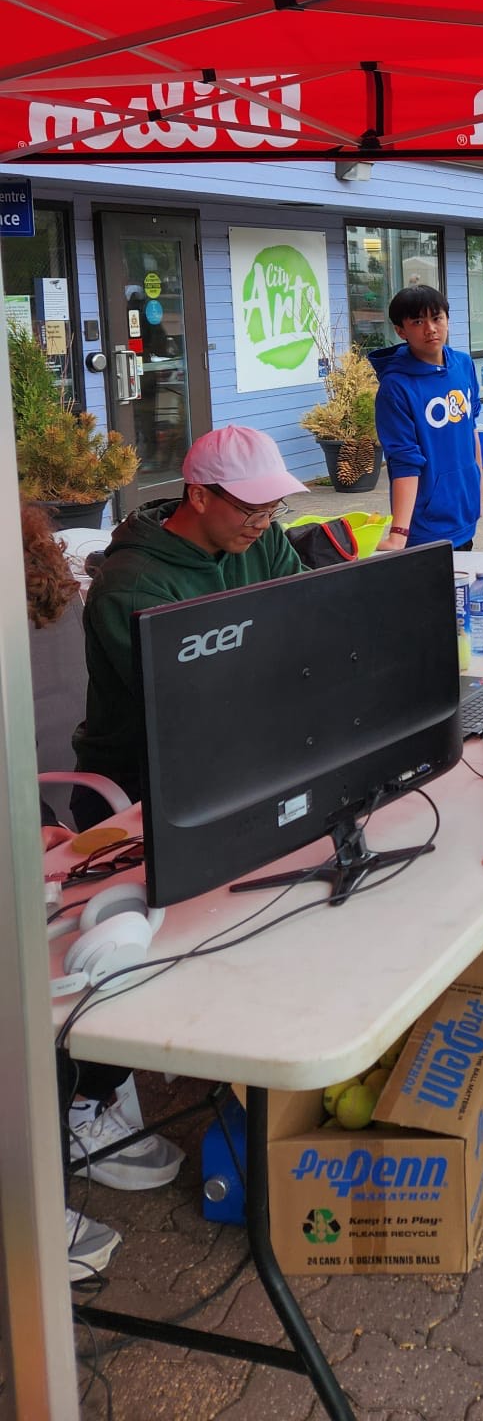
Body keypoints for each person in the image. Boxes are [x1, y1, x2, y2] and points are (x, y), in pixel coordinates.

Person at [24, 501, 184, 1270]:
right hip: (60, 814)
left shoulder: (47, 605)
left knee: (93, 948)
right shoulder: (74, 589)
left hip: (52, 821)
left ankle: (87, 1098)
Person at [73, 426, 307, 803]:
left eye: (273, 507)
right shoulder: (131, 588)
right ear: (198, 496)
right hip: (143, 789)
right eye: (251, 509)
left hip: (250, 755)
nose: (264, 523)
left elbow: (314, 622)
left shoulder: (266, 540)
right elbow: (191, 709)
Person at [372, 284, 483, 545]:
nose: (430, 328)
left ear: (447, 319)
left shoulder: (463, 365)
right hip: (426, 526)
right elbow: (405, 460)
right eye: (418, 321)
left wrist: (478, 492)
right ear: (401, 330)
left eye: (437, 318)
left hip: (465, 513)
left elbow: (471, 429)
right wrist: (399, 534)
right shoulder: (396, 387)